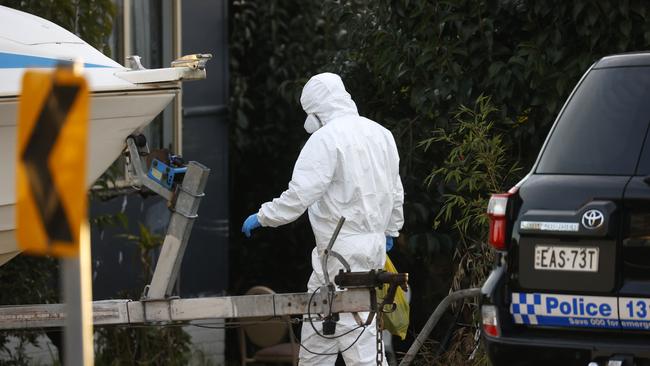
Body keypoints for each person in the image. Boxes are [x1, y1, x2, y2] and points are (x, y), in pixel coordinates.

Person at [241, 72, 404, 366]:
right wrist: (391, 229)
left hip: (340, 255)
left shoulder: (325, 140)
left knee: (359, 343)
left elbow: (299, 196)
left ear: (317, 109)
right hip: (366, 250)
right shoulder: (382, 134)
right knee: (317, 338)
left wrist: (263, 216)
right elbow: (396, 192)